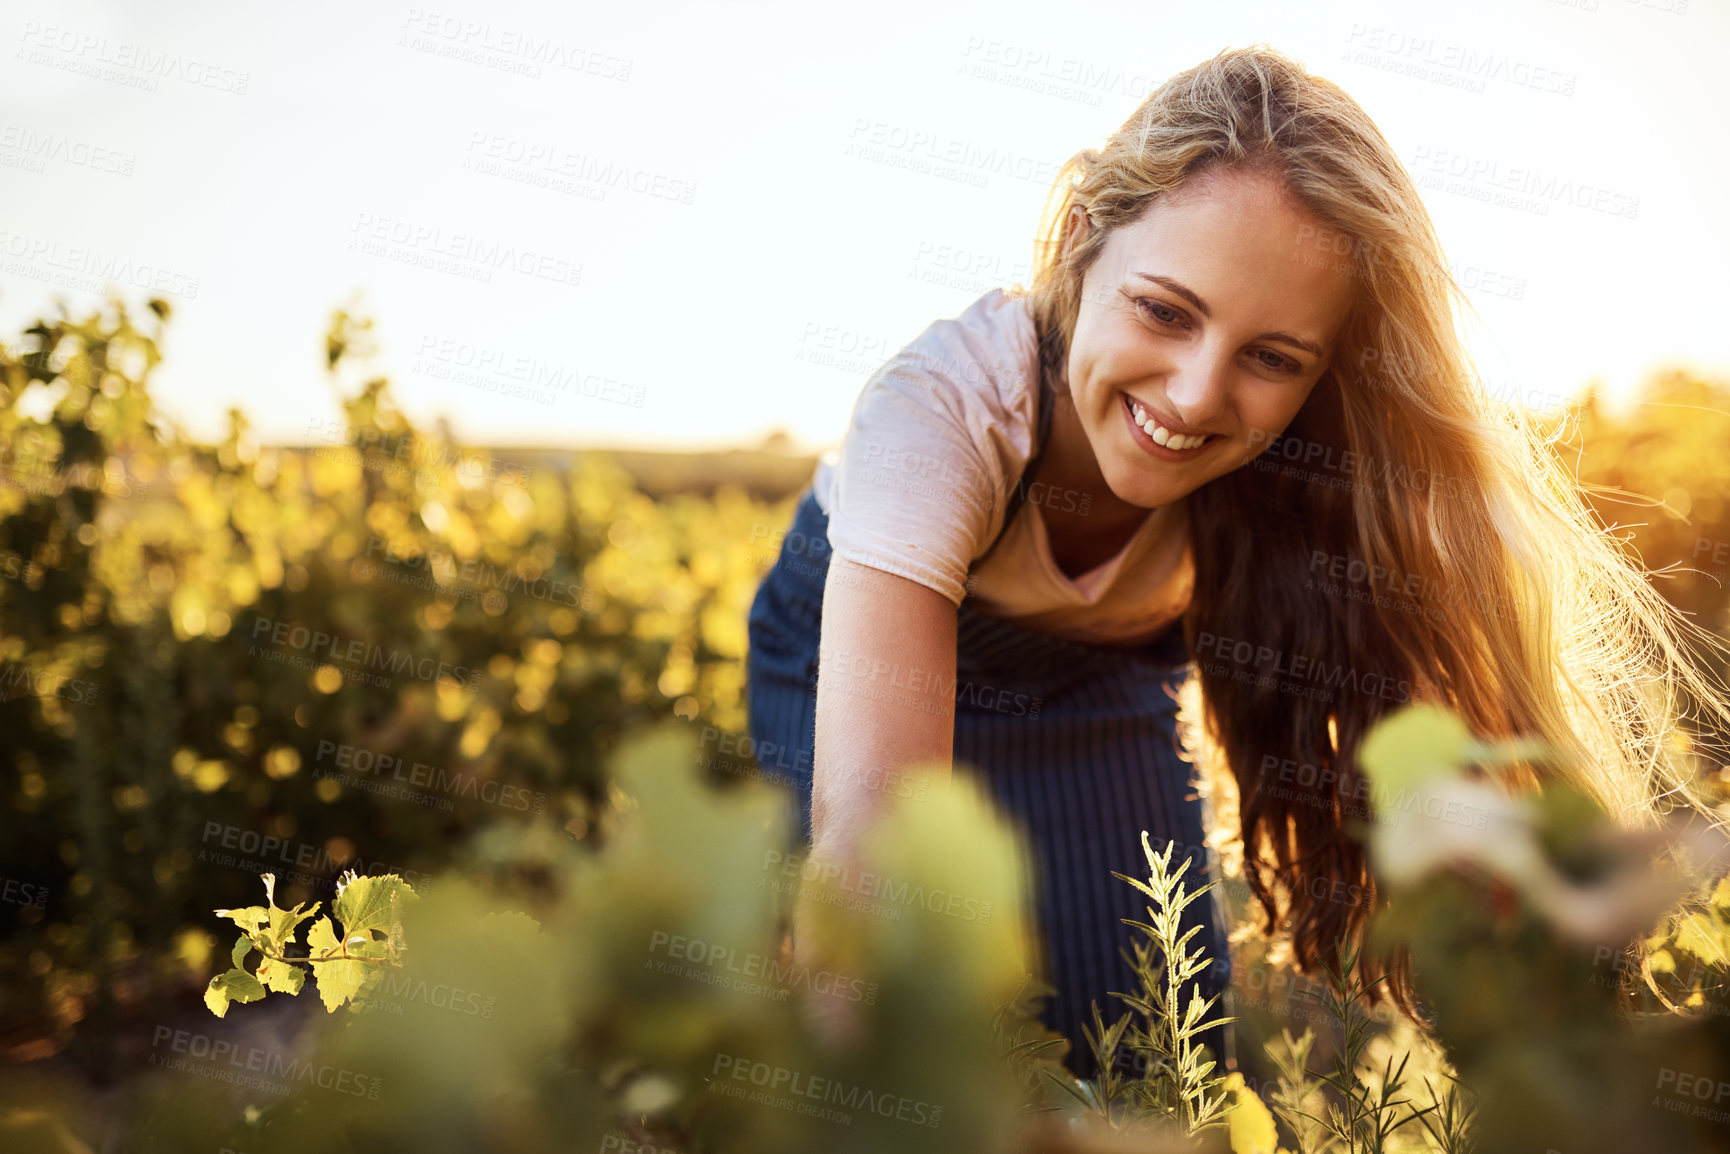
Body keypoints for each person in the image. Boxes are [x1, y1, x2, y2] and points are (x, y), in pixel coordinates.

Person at [744, 44, 1730, 1082]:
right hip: (845, 660)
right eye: (1164, 311)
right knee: (902, 1016)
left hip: (1095, 678)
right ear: (1081, 241)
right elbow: (872, 862)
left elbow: (1476, 793)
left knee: (1152, 1053)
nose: (1194, 396)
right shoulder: (937, 414)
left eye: (1270, 357)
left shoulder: (1307, 465)